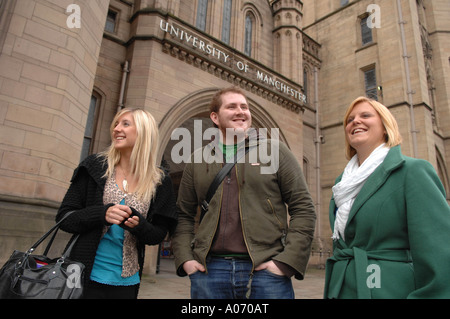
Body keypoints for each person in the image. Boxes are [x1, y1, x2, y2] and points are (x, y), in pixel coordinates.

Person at [171, 86, 316, 299]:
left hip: (266, 272)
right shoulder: (197, 159)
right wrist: (185, 259)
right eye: (231, 107)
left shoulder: (274, 150)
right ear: (215, 117)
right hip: (210, 272)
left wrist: (286, 262)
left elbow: (303, 208)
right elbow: (183, 214)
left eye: (244, 107)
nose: (241, 111)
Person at [324, 96, 450, 299]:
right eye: (350, 120)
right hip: (342, 289)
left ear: (385, 127)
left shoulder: (413, 171)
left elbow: (441, 254)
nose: (355, 121)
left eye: (365, 115)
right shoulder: (342, 184)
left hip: (389, 290)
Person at [56, 108, 177, 299]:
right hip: (80, 275)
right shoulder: (94, 166)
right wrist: (101, 214)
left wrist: (140, 225)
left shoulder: (160, 181)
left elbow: (158, 234)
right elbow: (64, 218)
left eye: (125, 124)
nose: (117, 129)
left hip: (127, 282)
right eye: (116, 124)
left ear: (144, 132)